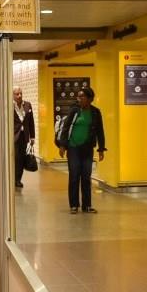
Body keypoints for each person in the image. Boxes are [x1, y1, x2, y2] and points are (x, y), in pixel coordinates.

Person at [56, 86, 106, 214]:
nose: (79, 99)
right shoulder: (74, 111)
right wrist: (62, 145)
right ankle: (74, 205)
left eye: (82, 96)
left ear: (89, 99)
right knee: (74, 176)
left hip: (87, 148)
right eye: (78, 96)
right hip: (73, 148)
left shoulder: (95, 112)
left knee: (86, 177)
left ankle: (87, 205)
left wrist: (101, 149)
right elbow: (66, 127)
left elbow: (100, 131)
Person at [12, 86, 36, 189]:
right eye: (17, 94)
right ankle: (12, 178)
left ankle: (18, 179)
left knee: (21, 158)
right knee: (15, 158)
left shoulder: (27, 105)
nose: (19, 95)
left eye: (21, 93)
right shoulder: (9, 105)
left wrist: (32, 137)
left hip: (24, 136)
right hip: (13, 136)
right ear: (12, 95)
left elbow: (31, 122)